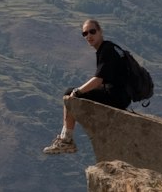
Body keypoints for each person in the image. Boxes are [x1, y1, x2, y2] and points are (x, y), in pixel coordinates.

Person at [42, 18, 131, 155]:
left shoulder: (106, 50)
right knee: (75, 92)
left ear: (100, 31)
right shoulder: (109, 47)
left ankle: (66, 141)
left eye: (92, 31)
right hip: (120, 94)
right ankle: (66, 140)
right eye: (85, 34)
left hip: (116, 96)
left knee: (69, 92)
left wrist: (77, 92)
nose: (89, 36)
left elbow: (98, 80)